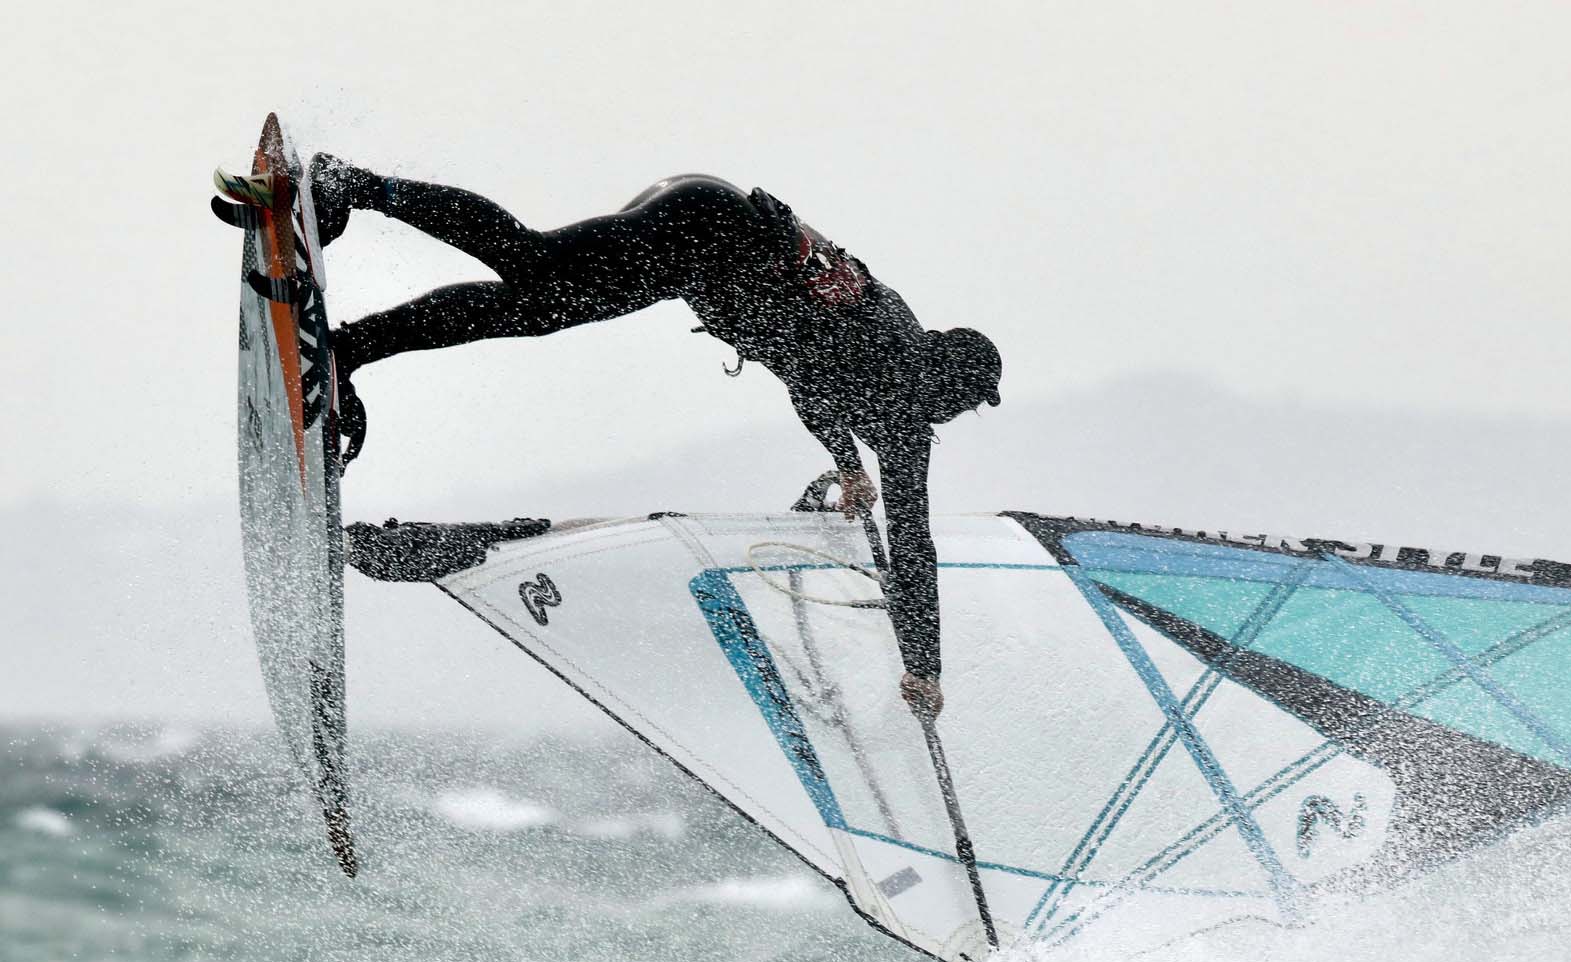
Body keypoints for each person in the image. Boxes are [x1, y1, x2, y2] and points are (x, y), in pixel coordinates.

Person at [221, 156, 1001, 718]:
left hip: (702, 262)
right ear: (943, 380)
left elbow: (809, 377)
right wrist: (925, 669)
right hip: (708, 227)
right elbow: (914, 545)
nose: (946, 422)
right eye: (958, 405)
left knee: (531, 308)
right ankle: (353, 185)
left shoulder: (889, 383)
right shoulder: (897, 380)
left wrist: (840, 462)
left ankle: (349, 348)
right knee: (533, 263)